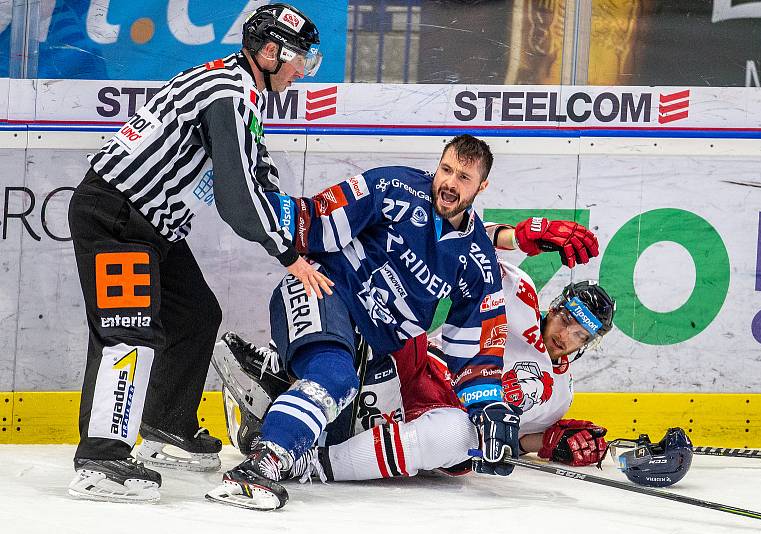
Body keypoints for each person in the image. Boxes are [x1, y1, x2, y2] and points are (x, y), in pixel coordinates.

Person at [66, 3, 331, 503]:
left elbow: (258, 174)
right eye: (299, 59)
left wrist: (301, 226)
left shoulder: (240, 91)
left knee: (196, 315)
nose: (303, 71)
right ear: (270, 52)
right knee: (128, 333)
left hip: (151, 227)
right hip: (117, 218)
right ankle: (100, 457)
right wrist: (287, 254)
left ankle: (167, 425)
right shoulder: (229, 94)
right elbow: (235, 197)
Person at [205, 134, 516, 511]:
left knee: (330, 438)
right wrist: (262, 204)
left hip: (374, 347)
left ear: (481, 186)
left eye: (463, 177)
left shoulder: (478, 260)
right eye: (446, 169)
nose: (450, 182)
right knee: (333, 378)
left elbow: (477, 345)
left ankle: (273, 380)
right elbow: (318, 216)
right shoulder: (393, 186)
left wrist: (491, 410)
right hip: (323, 289)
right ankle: (260, 466)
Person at [217, 218, 612, 484]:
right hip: (422, 366)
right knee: (377, 311)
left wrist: (543, 445)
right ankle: (282, 370)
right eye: (566, 318)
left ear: (588, 344)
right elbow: (465, 241)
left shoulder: (560, 397)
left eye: (581, 333)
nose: (565, 334)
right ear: (556, 306)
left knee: (456, 436)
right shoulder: (519, 292)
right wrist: (516, 235)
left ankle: (315, 467)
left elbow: (511, 442)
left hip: (446, 416)